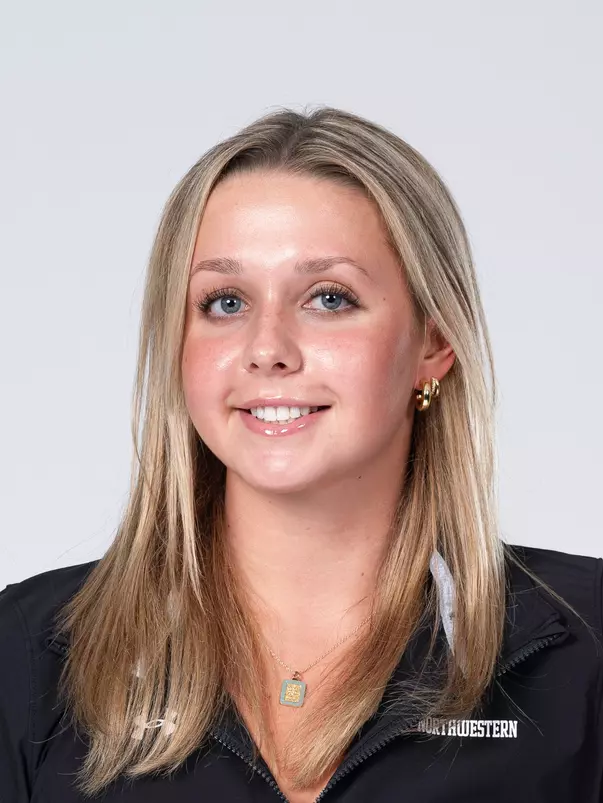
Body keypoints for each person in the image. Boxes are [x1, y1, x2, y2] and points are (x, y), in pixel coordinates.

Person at [0, 105, 601, 803]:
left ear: (433, 344)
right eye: (225, 302)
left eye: (328, 298)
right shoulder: (27, 652)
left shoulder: (584, 647)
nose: (267, 349)